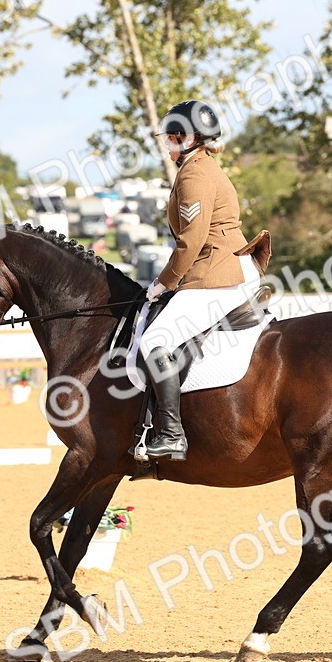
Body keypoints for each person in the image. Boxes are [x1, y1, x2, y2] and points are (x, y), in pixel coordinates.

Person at [137, 100, 263, 462]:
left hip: (218, 272)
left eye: (171, 138)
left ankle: (172, 434)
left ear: (188, 138)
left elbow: (191, 240)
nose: (168, 145)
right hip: (227, 267)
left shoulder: (195, 175)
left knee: (155, 339)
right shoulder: (203, 167)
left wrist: (164, 282)